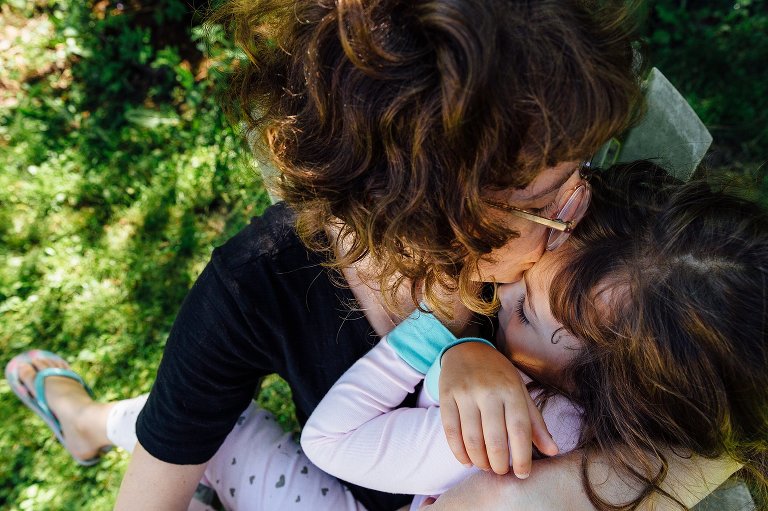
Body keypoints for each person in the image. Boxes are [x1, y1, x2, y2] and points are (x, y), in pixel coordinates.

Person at [3, 0, 737, 509]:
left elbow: (712, 416)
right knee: (192, 435)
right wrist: (446, 345)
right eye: (546, 196)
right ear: (418, 207)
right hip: (341, 466)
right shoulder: (254, 288)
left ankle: (89, 419)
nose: (580, 207)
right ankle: (88, 420)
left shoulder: (593, 256)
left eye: (582, 170)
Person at [300, 162, 767, 510]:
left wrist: (440, 337)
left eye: (525, 310)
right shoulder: (631, 427)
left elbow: (329, 440)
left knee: (237, 450)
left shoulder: (520, 424)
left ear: (591, 385)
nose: (502, 290)